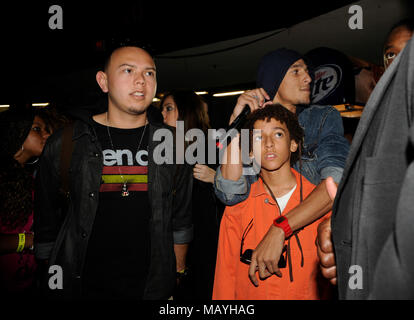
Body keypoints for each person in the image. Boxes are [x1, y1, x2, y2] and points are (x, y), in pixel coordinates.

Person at [33, 44, 193, 300]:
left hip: (150, 287)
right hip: (82, 285)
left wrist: (177, 274)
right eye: (128, 70)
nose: (141, 80)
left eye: (149, 73)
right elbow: (47, 222)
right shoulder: (67, 143)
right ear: (103, 81)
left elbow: (181, 218)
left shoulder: (175, 144)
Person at [214, 48, 349, 284]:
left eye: (307, 71)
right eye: (296, 71)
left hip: (312, 254)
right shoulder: (251, 129)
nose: (308, 78)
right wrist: (236, 122)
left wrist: (280, 229)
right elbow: (230, 193)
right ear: (273, 81)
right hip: (256, 258)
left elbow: (335, 185)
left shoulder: (322, 119)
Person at [316, 21, 414, 300]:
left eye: (410, 54)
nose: (400, 64)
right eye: (391, 55)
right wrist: (343, 229)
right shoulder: (377, 121)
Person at [213, 104, 331, 299]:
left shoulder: (318, 206)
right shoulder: (238, 210)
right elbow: (225, 279)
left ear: (293, 143)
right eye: (259, 137)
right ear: (250, 152)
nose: (268, 143)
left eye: (278, 135)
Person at [160, 90, 224, 300]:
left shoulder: (209, 144)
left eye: (169, 108)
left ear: (186, 112)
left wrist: (216, 178)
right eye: (162, 109)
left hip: (204, 242)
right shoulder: (161, 148)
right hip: (170, 239)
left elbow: (237, 193)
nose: (163, 114)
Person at [0, 108, 50, 298]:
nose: (46, 134)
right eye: (37, 129)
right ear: (17, 134)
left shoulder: (27, 178)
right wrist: (28, 241)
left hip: (26, 284)